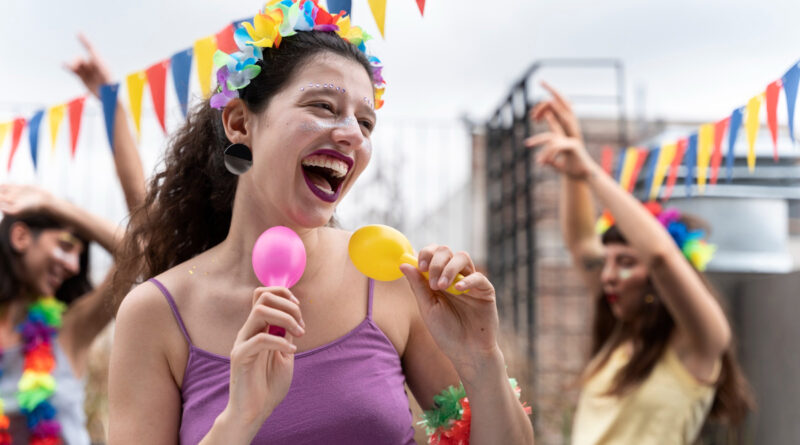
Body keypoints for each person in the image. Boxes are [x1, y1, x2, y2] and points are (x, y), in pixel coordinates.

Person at [108, 2, 534, 444]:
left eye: (366, 122)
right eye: (324, 106)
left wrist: (482, 360)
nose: (352, 133)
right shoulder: (156, 314)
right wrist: (239, 419)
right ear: (239, 122)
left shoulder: (393, 278)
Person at [526, 83, 754, 444]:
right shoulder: (621, 338)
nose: (609, 275)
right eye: (608, 262)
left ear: (658, 280)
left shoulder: (699, 343)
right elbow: (581, 243)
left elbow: (661, 257)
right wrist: (572, 164)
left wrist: (591, 172)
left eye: (627, 262)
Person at [0, 35, 145, 444]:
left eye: (78, 257)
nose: (69, 265)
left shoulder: (71, 329)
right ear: (22, 235)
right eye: (65, 245)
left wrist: (58, 207)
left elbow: (143, 243)